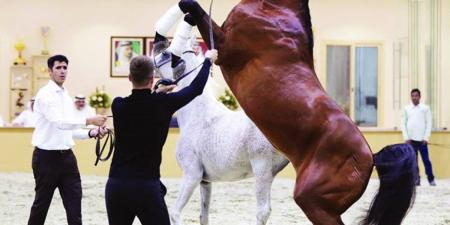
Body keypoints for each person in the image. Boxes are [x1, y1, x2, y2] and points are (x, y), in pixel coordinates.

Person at [105, 42, 217, 224]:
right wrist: (207, 61)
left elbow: (139, 105)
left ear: (129, 77)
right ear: (152, 78)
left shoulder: (117, 105)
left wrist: (157, 93)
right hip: (146, 186)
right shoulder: (163, 104)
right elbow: (196, 89)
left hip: (116, 185)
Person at [28, 55, 108, 225]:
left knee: (74, 207)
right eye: (58, 68)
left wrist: (91, 133)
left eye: (65, 67)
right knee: (41, 206)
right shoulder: (45, 95)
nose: (62, 71)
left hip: (67, 159)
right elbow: (60, 123)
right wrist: (89, 120)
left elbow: (69, 130)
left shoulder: (65, 95)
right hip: (45, 159)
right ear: (50, 71)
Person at [401, 88, 436, 186]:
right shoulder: (407, 109)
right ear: (411, 97)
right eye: (412, 96)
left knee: (426, 160)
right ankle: (416, 179)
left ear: (419, 97)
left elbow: (429, 123)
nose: (414, 98)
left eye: (416, 96)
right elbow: (403, 124)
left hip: (422, 140)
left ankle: (431, 179)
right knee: (413, 161)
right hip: (410, 140)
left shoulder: (425, 108)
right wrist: (406, 137)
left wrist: (426, 138)